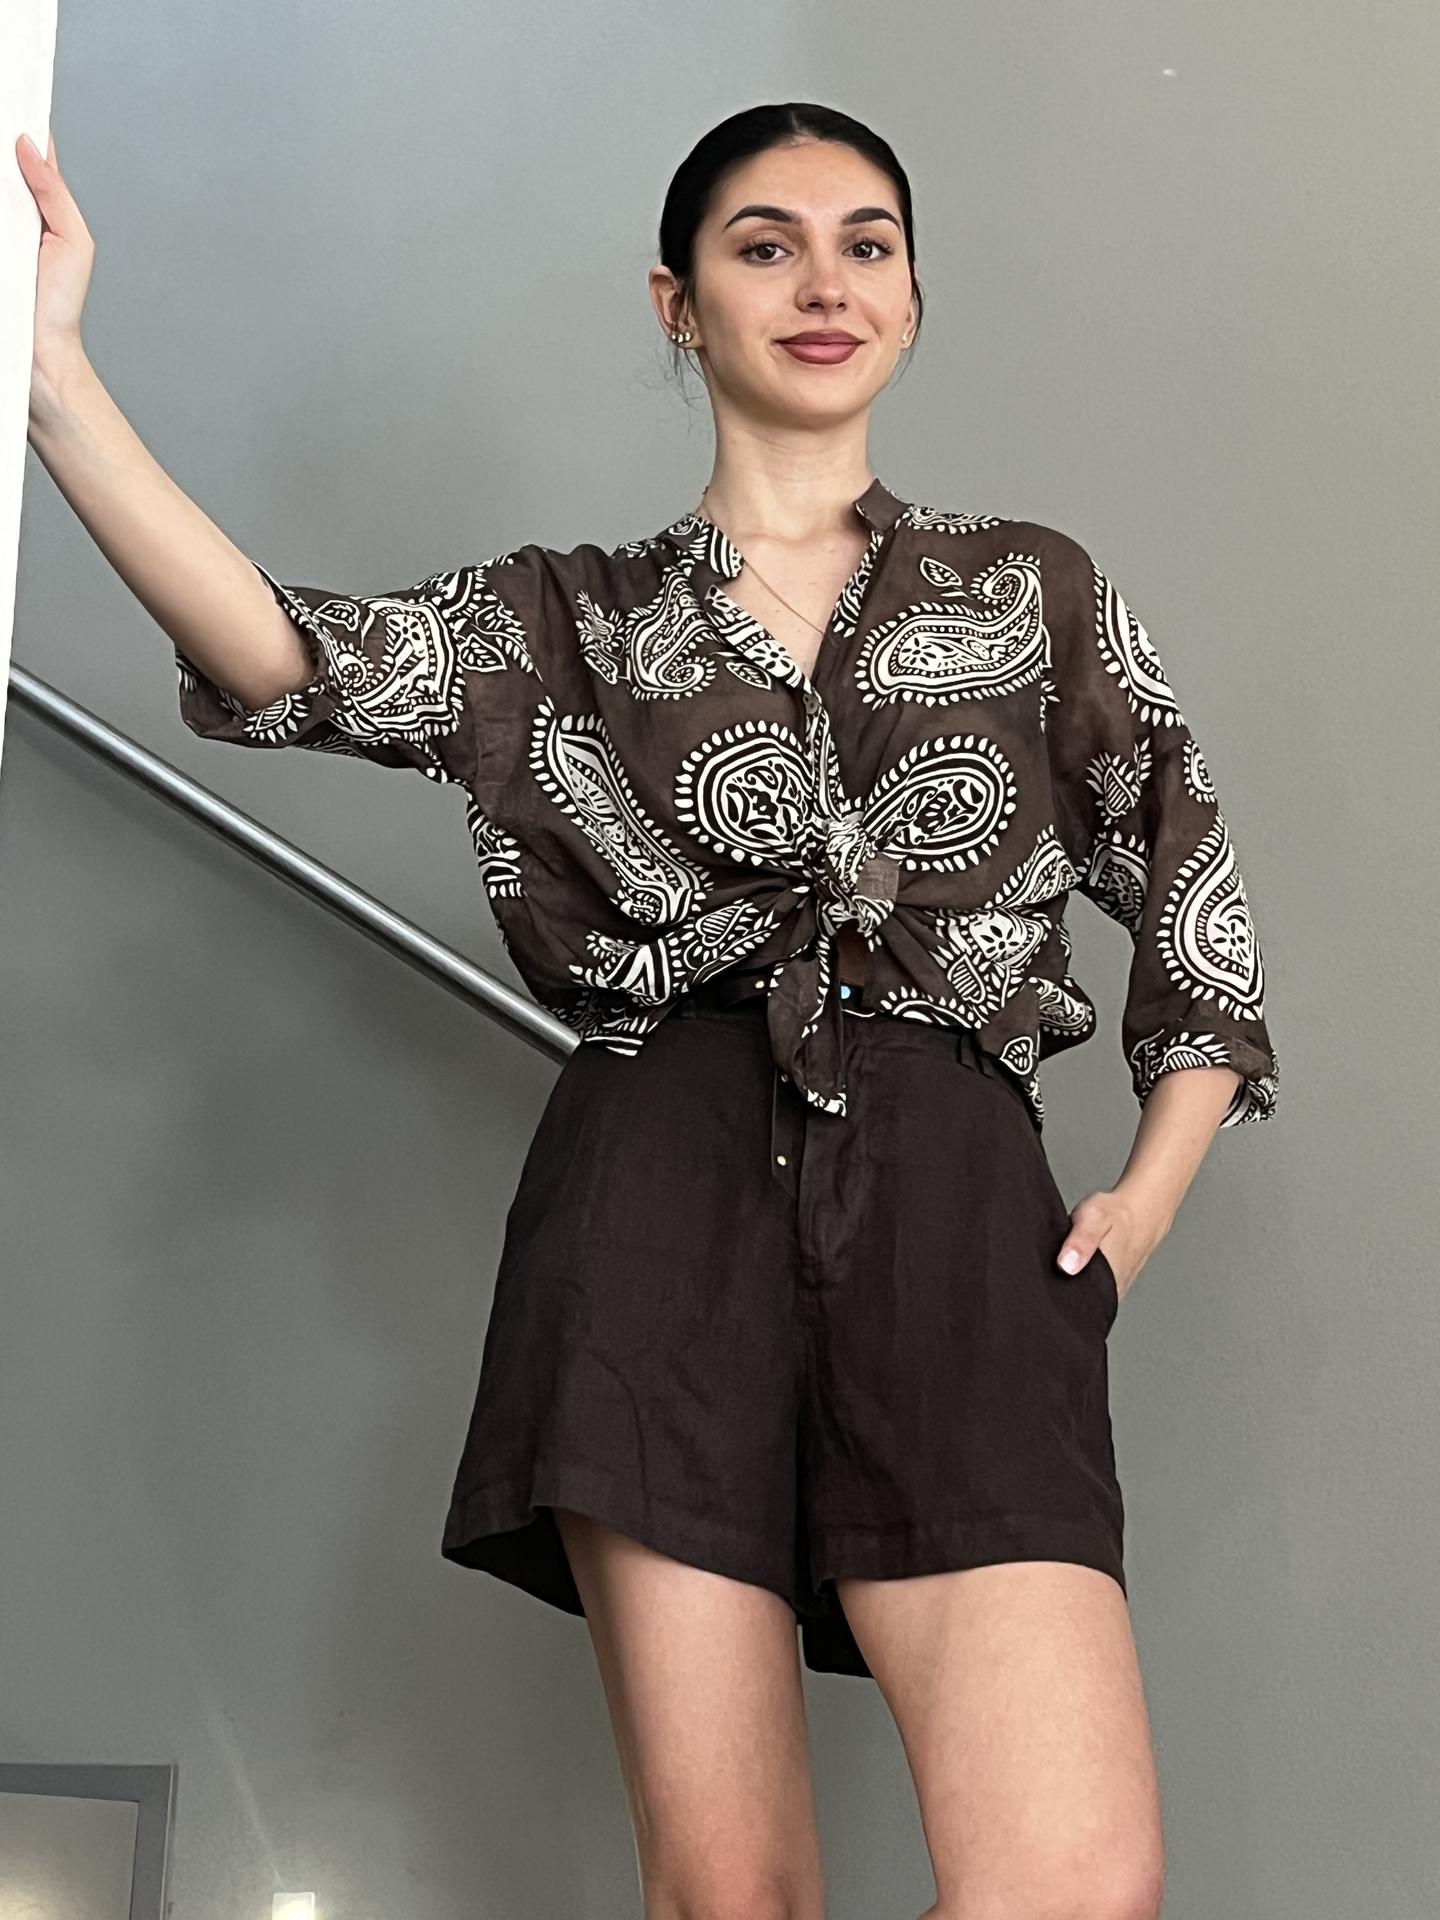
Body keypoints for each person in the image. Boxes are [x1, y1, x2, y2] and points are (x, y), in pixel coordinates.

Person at [20, 101, 1279, 1920]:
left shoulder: (1034, 589)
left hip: (953, 1196)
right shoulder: (568, 618)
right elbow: (286, 657)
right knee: (728, 1899)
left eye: (866, 244)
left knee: (1073, 1882)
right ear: (679, 303)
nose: (825, 282)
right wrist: (53, 375)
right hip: (656, 1192)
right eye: (766, 246)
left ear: (913, 295)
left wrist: (1143, 1205)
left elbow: (1193, 899)